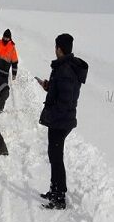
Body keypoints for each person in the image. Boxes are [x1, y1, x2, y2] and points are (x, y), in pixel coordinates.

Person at [36, 33, 88, 210]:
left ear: (60, 48)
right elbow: (62, 91)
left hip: (61, 121)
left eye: (56, 46)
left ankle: (60, 197)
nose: (55, 49)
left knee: (56, 157)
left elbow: (66, 99)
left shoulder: (65, 70)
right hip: (61, 119)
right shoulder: (64, 68)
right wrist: (49, 87)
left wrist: (53, 113)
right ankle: (54, 189)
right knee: (53, 155)